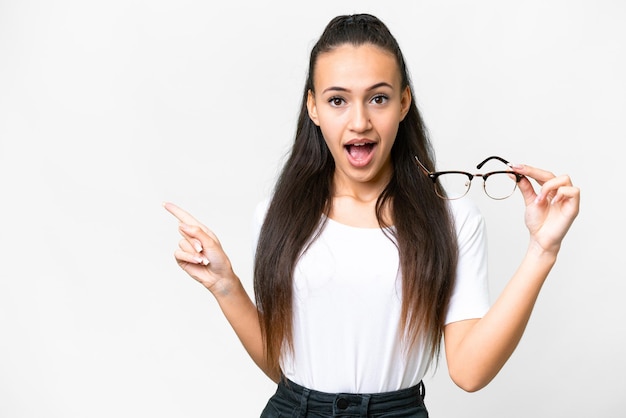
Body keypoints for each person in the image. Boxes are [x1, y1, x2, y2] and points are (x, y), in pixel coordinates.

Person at [164, 13, 580, 417]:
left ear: (403, 103)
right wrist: (225, 285)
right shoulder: (278, 217)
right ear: (313, 107)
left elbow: (469, 372)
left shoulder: (452, 221)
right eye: (338, 100)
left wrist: (542, 251)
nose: (359, 121)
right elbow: (282, 366)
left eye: (378, 98)